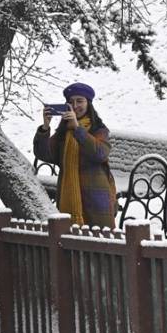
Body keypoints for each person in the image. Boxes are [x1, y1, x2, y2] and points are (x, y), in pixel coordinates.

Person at [33, 82, 117, 228]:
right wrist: (45, 127)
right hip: (69, 195)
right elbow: (44, 154)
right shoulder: (64, 132)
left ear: (88, 103)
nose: (76, 105)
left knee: (99, 241)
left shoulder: (99, 129)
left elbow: (100, 154)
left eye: (80, 101)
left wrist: (77, 129)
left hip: (96, 195)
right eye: (71, 102)